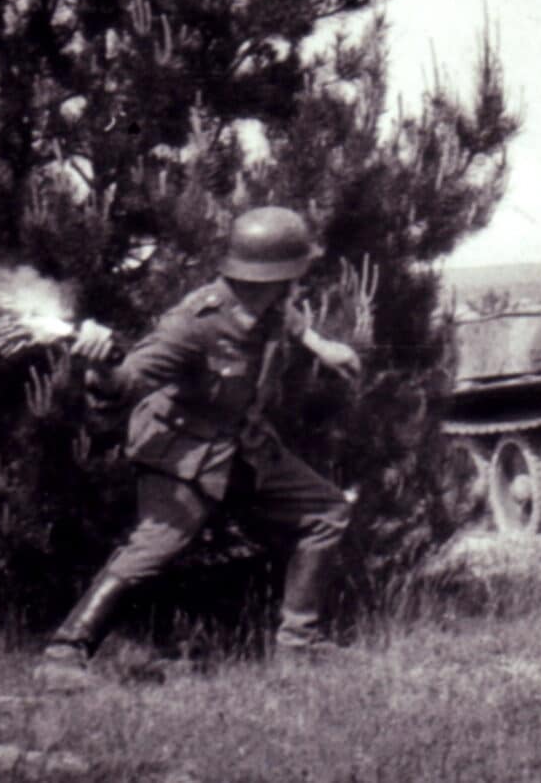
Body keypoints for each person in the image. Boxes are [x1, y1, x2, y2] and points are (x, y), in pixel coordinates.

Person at [35, 206, 362, 686]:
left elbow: (291, 323)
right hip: (183, 451)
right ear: (272, 274)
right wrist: (101, 367)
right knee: (154, 549)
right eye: (294, 272)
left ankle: (299, 646)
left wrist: (321, 344)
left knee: (325, 513)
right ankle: (64, 655)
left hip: (243, 447)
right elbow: (126, 384)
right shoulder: (192, 324)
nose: (297, 283)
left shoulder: (270, 305)